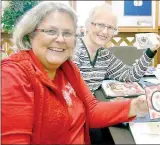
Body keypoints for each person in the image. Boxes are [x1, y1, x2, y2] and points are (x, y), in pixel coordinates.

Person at [1, 2, 149, 144]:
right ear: (30, 34)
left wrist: (135, 106)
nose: (60, 39)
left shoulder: (67, 68)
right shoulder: (14, 74)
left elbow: (91, 110)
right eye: (51, 31)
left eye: (67, 33)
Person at [72, 3, 160, 93]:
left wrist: (150, 51)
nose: (105, 31)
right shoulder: (74, 50)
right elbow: (71, 91)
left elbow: (130, 76)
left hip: (92, 104)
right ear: (88, 25)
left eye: (110, 27)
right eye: (100, 25)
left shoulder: (104, 55)